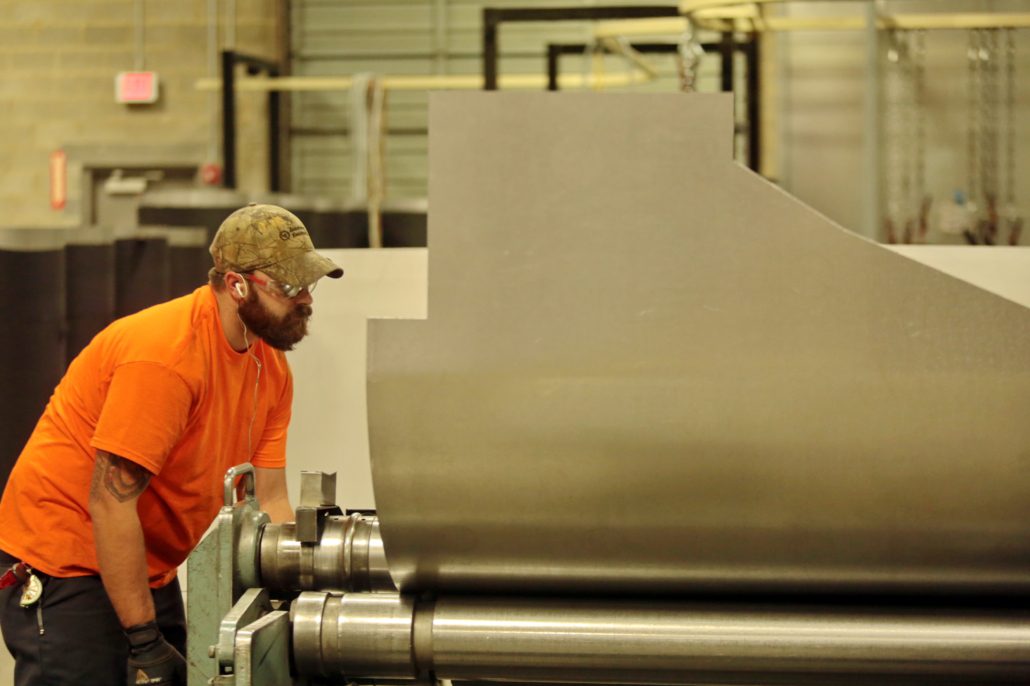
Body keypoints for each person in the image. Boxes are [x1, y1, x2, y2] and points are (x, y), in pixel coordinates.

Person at [0, 203, 343, 686]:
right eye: (289, 287)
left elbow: (269, 498)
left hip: (146, 562)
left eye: (309, 285)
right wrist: (142, 638)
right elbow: (109, 503)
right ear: (238, 285)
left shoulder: (270, 369)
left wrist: (298, 591)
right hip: (65, 559)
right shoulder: (166, 358)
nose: (306, 298)